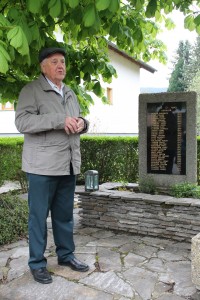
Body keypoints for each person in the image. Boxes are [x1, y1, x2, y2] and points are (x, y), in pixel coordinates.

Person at [15, 47, 89, 284]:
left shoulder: (70, 93)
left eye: (63, 62)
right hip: (41, 168)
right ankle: (37, 263)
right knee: (38, 217)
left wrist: (83, 123)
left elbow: (76, 119)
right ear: (43, 67)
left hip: (67, 165)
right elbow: (22, 121)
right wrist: (59, 120)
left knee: (65, 216)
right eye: (55, 61)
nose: (61, 66)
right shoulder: (32, 90)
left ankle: (66, 255)